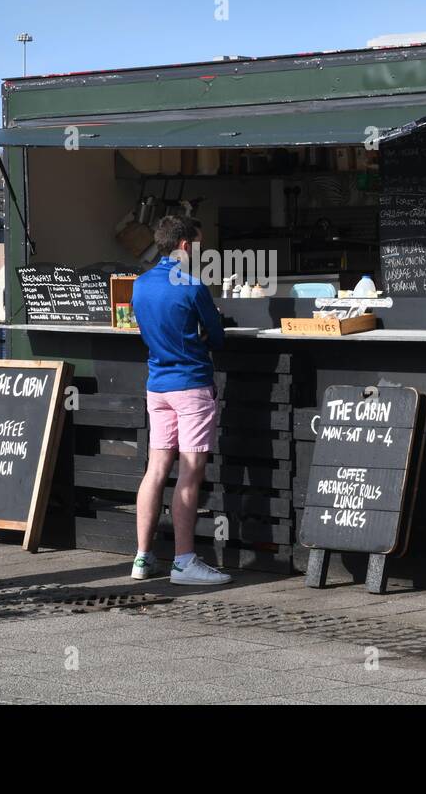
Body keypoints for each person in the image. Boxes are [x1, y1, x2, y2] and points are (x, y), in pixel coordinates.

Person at [129, 215, 231, 585]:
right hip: (191, 386)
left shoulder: (139, 285)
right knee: (190, 472)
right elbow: (217, 338)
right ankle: (184, 562)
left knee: (155, 471)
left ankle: (142, 558)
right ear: (185, 246)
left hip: (157, 387)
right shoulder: (191, 285)